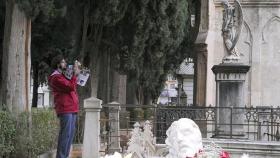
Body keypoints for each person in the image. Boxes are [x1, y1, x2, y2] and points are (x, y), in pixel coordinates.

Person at [48, 55, 81, 158]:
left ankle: (65, 156)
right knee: (65, 135)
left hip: (72, 108)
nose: (65, 64)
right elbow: (70, 87)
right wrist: (75, 75)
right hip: (65, 108)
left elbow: (72, 85)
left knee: (70, 136)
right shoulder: (55, 77)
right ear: (58, 64)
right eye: (63, 62)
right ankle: (61, 156)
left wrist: (77, 74)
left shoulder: (62, 75)